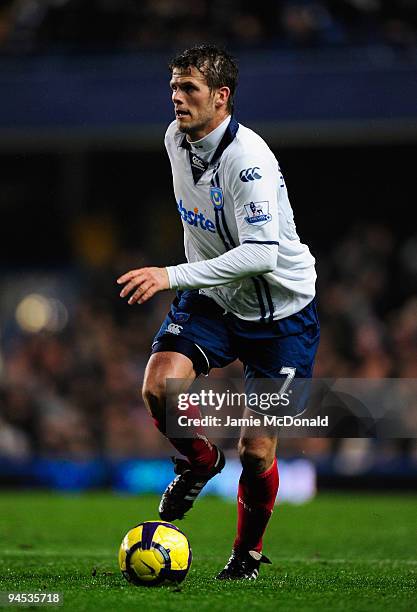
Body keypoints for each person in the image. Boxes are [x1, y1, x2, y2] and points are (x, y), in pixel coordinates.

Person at [117, 44, 320, 580]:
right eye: (174, 89)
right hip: (215, 298)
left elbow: (261, 254)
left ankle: (246, 554)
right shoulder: (175, 139)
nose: (177, 99)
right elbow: (199, 221)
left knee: (256, 452)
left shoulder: (248, 159)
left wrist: (168, 276)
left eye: (190, 90)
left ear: (222, 97)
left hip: (281, 315)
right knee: (158, 387)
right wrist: (188, 279)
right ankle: (201, 460)